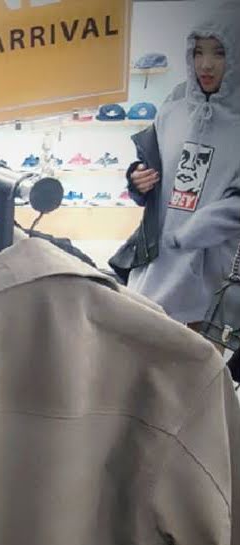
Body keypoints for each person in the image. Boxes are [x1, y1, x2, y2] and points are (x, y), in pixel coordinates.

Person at [119, 3, 240, 325]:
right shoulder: (174, 109)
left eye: (219, 53)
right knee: (144, 339)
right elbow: (151, 169)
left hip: (213, 274)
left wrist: (196, 231)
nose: (206, 64)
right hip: (156, 262)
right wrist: (137, 180)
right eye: (198, 52)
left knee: (199, 354)